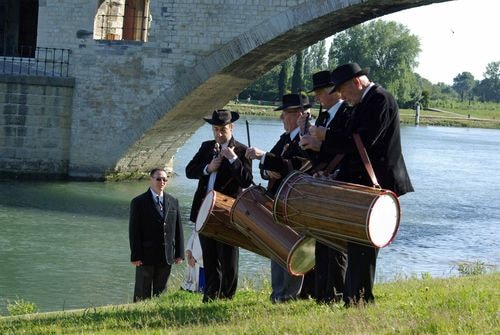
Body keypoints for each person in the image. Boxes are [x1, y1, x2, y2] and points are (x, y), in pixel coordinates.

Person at [302, 63, 414, 306]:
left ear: (357, 82)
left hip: (378, 183)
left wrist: (324, 137)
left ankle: (361, 299)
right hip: (362, 183)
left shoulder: (380, 100)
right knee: (356, 244)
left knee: (364, 245)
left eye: (343, 90)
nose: (341, 96)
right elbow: (350, 145)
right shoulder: (362, 102)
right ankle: (353, 298)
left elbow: (363, 143)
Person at [245, 93, 311, 303]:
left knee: (291, 246)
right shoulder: (285, 138)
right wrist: (267, 170)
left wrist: (265, 158)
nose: (282, 118)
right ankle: (278, 293)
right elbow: (268, 167)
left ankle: (289, 295)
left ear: (299, 114)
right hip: (276, 200)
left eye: (285, 114)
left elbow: (296, 166)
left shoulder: (305, 138)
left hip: (294, 202)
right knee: (276, 245)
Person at [185, 109, 253, 303]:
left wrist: (233, 159)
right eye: (215, 129)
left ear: (231, 127)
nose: (219, 133)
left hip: (228, 211)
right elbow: (190, 171)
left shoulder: (241, 150)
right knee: (209, 255)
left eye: (222, 129)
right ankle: (210, 296)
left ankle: (227, 296)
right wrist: (207, 168)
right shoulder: (206, 147)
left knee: (228, 256)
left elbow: (246, 180)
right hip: (204, 211)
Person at [298, 70, 350, 304]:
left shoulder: (347, 114)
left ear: (333, 91)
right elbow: (314, 152)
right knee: (322, 241)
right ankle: (322, 294)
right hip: (323, 180)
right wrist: (305, 135)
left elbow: (344, 149)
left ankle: (335, 293)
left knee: (336, 242)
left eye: (320, 92)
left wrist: (320, 148)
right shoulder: (323, 118)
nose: (317, 97)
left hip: (340, 183)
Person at [129, 168, 184, 302]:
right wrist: (135, 255)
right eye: (158, 179)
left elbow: (178, 228)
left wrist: (179, 254)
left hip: (166, 255)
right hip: (145, 256)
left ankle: (157, 317)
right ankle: (138, 317)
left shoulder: (173, 201)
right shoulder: (138, 202)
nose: (162, 182)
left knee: (161, 292)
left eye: (165, 179)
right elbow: (134, 231)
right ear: (151, 179)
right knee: (142, 291)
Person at [180, 228, 205, 293]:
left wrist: (195, 258)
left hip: (202, 264)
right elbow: (192, 240)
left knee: (202, 289)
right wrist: (189, 256)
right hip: (193, 262)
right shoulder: (196, 227)